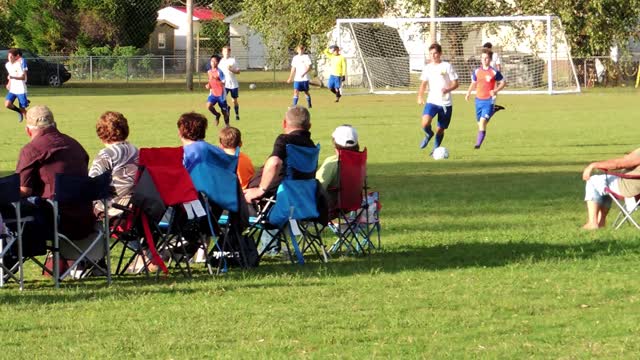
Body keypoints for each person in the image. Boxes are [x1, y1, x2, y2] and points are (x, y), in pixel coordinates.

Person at [15, 105, 95, 251]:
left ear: (28, 130)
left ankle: (8, 262)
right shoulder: (76, 145)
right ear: (55, 125)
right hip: (86, 218)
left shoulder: (31, 149)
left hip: (55, 220)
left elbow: (24, 190)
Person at [244, 106, 315, 203]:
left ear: (284, 123)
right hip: (299, 195)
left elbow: (275, 162)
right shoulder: (311, 146)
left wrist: (261, 189)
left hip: (274, 196)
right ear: (309, 126)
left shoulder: (286, 140)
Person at [89, 111, 139, 217]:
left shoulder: (106, 155)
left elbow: (92, 186)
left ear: (101, 133)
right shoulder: (136, 151)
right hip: (136, 206)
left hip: (114, 209)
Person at [417, 43, 459, 155]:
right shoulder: (427, 68)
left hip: (446, 103)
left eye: (435, 53)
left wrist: (448, 89)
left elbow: (456, 83)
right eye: (431, 53)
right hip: (432, 101)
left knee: (440, 129)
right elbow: (423, 84)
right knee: (425, 123)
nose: (433, 56)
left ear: (440, 54)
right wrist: (420, 96)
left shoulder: (447, 66)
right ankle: (428, 134)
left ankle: (435, 149)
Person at [582, 150, 640, 229]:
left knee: (593, 180)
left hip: (630, 189)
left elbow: (618, 164)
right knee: (604, 182)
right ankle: (601, 221)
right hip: (637, 191)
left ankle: (593, 222)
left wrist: (593, 165)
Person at [464, 48, 507, 149]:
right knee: (480, 124)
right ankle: (494, 110)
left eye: (487, 58)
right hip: (478, 100)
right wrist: (468, 93)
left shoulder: (494, 72)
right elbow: (473, 82)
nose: (484, 60)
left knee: (482, 122)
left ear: (490, 59)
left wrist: (495, 91)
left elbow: (503, 82)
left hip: (489, 100)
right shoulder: (477, 71)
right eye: (483, 58)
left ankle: (477, 145)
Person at [316, 125, 359, 210]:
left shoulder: (333, 162)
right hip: (353, 203)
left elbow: (318, 186)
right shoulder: (359, 161)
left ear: (334, 143)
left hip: (330, 206)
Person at [205, 54, 230, 127]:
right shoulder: (209, 71)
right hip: (213, 93)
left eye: (215, 61)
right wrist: (208, 85)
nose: (213, 62)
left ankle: (227, 125)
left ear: (218, 63)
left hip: (221, 94)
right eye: (212, 61)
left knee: (224, 112)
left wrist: (217, 80)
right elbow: (210, 81)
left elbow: (224, 82)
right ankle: (217, 115)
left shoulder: (220, 72)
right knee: (208, 106)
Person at [4, 48, 29, 122]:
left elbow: (23, 77)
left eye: (11, 57)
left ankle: (31, 123)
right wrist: (9, 82)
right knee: (7, 104)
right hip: (13, 89)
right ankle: (19, 111)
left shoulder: (18, 65)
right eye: (8, 56)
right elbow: (10, 74)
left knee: (23, 109)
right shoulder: (7, 65)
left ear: (16, 57)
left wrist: (12, 77)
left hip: (21, 89)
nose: (9, 58)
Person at [482, 42, 506, 114]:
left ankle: (492, 105)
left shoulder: (495, 55)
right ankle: (489, 104)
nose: (485, 50)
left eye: (486, 48)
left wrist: (498, 75)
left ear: (490, 48)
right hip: (486, 75)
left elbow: (498, 65)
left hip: (493, 75)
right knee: (486, 90)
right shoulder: (484, 55)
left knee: (494, 91)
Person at [219, 46, 241, 121]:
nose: (226, 53)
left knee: (234, 100)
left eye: (228, 51)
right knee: (222, 99)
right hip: (225, 84)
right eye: (225, 51)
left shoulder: (232, 61)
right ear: (222, 52)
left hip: (233, 84)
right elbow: (219, 73)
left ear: (230, 52)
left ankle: (237, 114)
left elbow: (238, 71)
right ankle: (227, 110)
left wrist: (231, 69)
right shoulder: (221, 62)